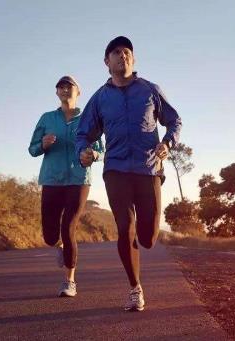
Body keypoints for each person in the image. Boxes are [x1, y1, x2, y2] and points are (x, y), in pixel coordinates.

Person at [76, 36, 182, 311]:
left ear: (132, 59)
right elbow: (84, 133)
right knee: (125, 227)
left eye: (126, 52)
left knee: (147, 238)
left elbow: (174, 120)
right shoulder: (100, 98)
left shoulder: (150, 90)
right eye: (115, 52)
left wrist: (167, 142)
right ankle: (135, 288)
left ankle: (142, 240)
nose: (121, 55)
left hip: (148, 169)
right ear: (106, 62)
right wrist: (83, 151)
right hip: (116, 169)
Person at [28, 75, 104, 297]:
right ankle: (59, 245)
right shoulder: (47, 118)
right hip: (52, 180)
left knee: (68, 226)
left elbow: (101, 147)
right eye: (60, 87)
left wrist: (94, 154)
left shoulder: (88, 118)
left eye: (68, 86)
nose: (64, 90)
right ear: (56, 93)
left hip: (79, 180)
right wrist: (42, 144)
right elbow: (32, 149)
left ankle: (69, 281)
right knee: (50, 236)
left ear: (77, 91)